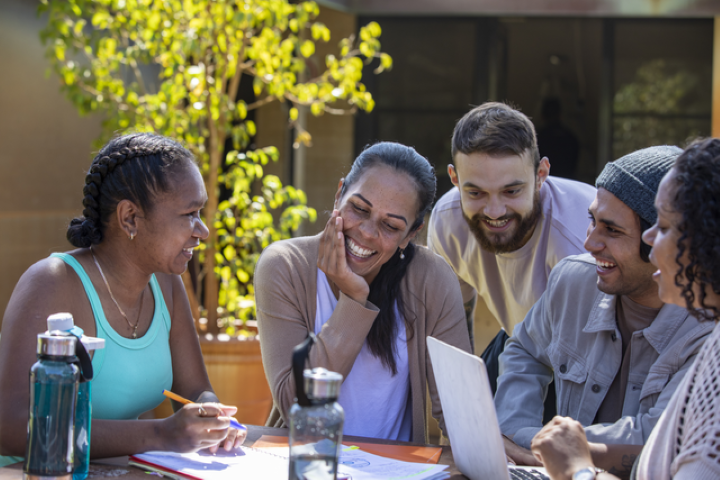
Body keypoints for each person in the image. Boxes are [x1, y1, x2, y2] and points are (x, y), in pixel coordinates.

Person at [0, 133, 245, 466]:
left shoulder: (167, 284)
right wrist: (161, 434)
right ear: (130, 217)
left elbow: (195, 390)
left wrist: (213, 418)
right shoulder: (51, 283)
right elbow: (12, 426)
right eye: (190, 214)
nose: (202, 230)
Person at [496, 145, 713, 472]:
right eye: (592, 220)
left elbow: (652, 435)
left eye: (611, 230)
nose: (589, 243)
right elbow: (525, 350)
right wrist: (515, 433)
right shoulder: (572, 279)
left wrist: (548, 448)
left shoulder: (708, 330)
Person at [255, 142, 472, 443]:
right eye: (359, 208)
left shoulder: (431, 279)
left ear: (411, 234)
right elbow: (296, 403)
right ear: (339, 193)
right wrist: (354, 301)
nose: (367, 232)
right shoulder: (285, 267)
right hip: (309, 466)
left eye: (391, 225)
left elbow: (461, 414)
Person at [427, 101, 596, 396]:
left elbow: (595, 361)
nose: (494, 211)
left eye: (511, 191)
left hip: (589, 365)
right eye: (476, 192)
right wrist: (461, 404)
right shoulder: (447, 220)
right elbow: (451, 322)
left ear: (541, 174)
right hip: (518, 339)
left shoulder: (580, 241)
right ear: (454, 179)